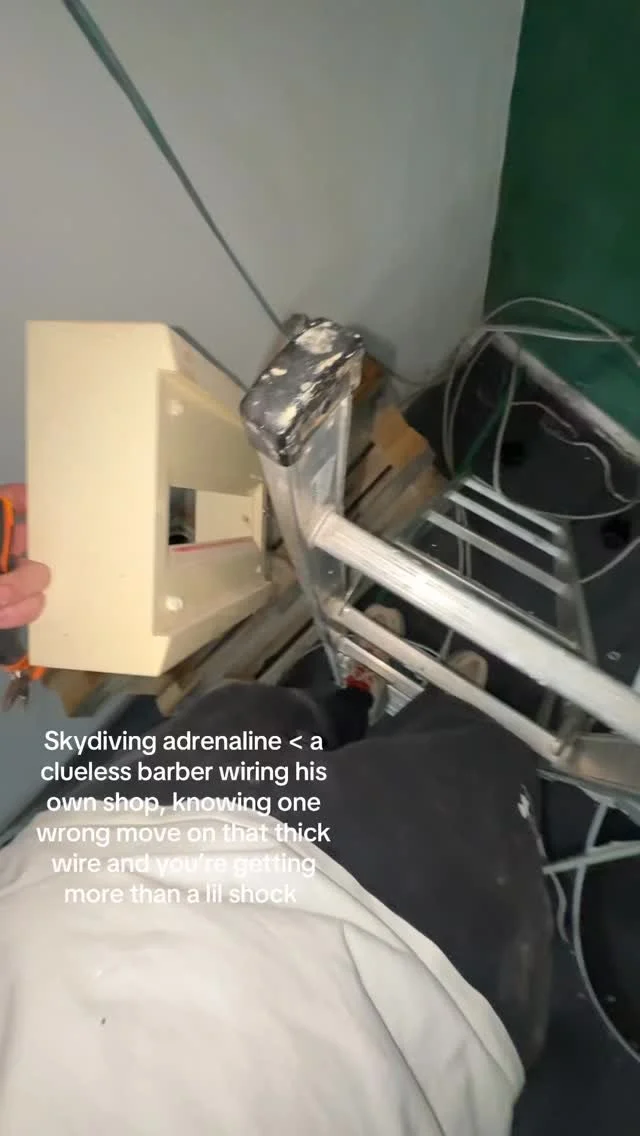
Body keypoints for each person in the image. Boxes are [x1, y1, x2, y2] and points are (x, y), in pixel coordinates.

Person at [0, 483, 552, 1135]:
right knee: (460, 775)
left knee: (248, 712)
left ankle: (354, 697)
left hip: (82, 865)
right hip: (343, 977)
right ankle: (458, 711)